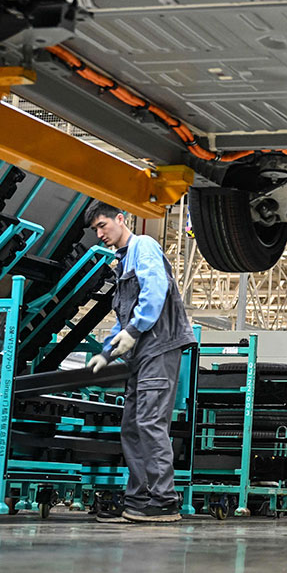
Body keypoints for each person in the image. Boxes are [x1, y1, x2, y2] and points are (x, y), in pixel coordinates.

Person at [84, 202, 194, 523]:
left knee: (148, 422)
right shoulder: (122, 263)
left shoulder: (143, 245)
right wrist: (107, 352)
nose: (100, 234)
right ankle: (138, 500)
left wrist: (135, 329)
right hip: (141, 352)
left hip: (160, 345)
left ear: (121, 219)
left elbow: (155, 290)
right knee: (131, 426)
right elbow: (124, 315)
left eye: (103, 225)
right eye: (96, 230)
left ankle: (164, 500)